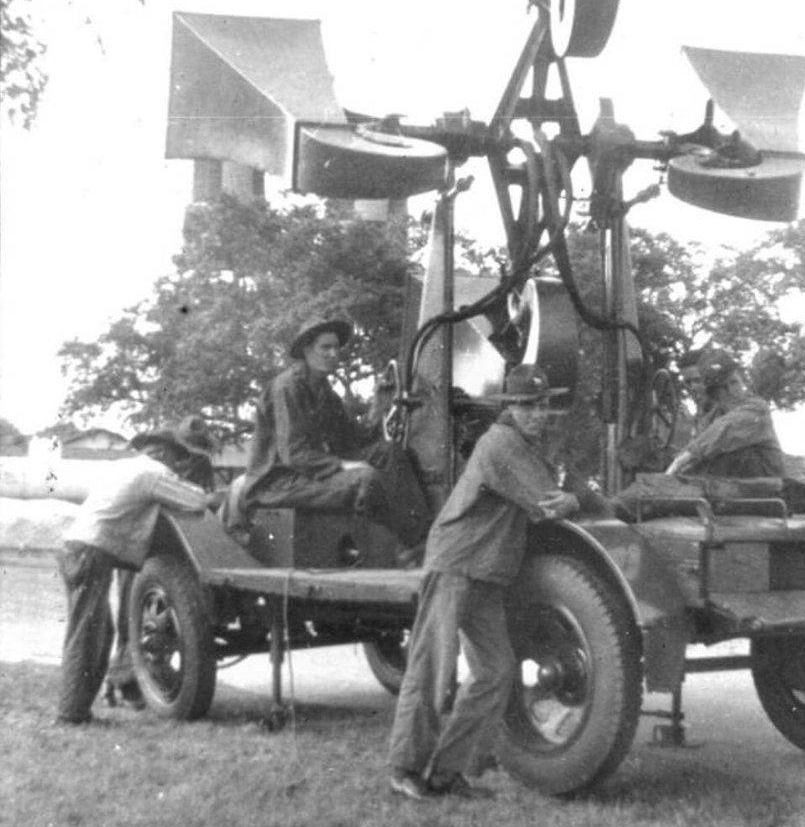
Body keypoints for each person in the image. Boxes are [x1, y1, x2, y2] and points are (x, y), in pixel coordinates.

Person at [387, 364, 603, 801]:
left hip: (485, 572)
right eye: (528, 406)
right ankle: (405, 769)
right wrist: (582, 496)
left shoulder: (526, 445)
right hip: (457, 565)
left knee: (495, 670)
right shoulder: (502, 444)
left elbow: (564, 487)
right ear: (511, 408)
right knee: (434, 668)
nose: (539, 414)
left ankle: (448, 772)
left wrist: (577, 491)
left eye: (543, 405)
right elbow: (549, 503)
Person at [56, 416, 216, 725]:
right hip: (92, 552)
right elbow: (196, 501)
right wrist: (212, 497)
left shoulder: (123, 467)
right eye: (177, 457)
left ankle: (78, 710)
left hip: (78, 548)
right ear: (164, 453)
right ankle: (71, 714)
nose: (177, 464)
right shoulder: (153, 473)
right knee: (88, 634)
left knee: (96, 631)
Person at [240, 319, 428, 548]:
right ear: (307, 351)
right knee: (364, 478)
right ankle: (400, 547)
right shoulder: (287, 388)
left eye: (336, 347)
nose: (333, 354)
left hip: (306, 475)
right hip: (277, 483)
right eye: (325, 348)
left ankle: (421, 537)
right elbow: (294, 454)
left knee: (388, 451)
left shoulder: (326, 393)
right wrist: (343, 466)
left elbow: (355, 438)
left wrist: (378, 404)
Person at [664, 347, 785, 479]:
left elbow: (726, 429)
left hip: (764, 492)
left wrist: (681, 461)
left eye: (698, 380)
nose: (693, 387)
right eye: (688, 383)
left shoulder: (756, 409)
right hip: (725, 491)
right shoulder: (708, 417)